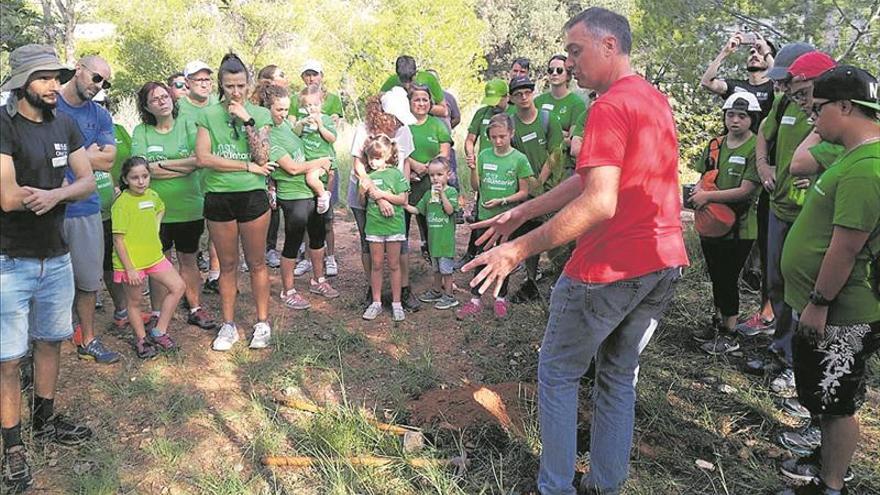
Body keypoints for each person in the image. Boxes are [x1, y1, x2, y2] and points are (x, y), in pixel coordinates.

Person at [463, 8, 688, 494]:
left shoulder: (607, 107)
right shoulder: (651, 98)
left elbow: (600, 202)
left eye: (575, 51)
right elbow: (591, 179)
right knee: (617, 376)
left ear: (609, 46)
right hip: (661, 261)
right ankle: (605, 486)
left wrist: (517, 250)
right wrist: (523, 211)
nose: (568, 63)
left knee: (560, 373)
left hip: (609, 267)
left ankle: (556, 487)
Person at [776, 65, 880, 495]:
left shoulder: (866, 168)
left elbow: (846, 247)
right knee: (825, 396)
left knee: (837, 404)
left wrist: (819, 302)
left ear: (845, 106)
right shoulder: (853, 158)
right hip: (828, 305)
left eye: (817, 109)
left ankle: (831, 484)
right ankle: (826, 460)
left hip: (843, 310)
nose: (812, 120)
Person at [1, 44, 97, 492]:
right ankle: (13, 447)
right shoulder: (4, 125)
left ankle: (45, 420)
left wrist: (56, 194)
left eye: (56, 76)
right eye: (43, 78)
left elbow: (88, 180)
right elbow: (5, 196)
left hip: (55, 256)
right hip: (9, 261)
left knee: (50, 343)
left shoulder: (66, 123)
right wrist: (48, 191)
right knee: (7, 358)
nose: (53, 85)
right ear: (22, 83)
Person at [757, 43, 827, 394]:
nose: (783, 88)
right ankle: (779, 350)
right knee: (776, 284)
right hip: (779, 207)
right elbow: (763, 135)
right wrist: (762, 164)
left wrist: (816, 176)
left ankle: (796, 367)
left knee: (804, 291)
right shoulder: (785, 102)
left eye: (790, 83)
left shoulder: (827, 111)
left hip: (809, 215)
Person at [194, 52, 275, 351]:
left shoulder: (260, 114)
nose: (236, 92)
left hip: (252, 196)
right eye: (229, 86)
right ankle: (228, 325)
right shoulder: (208, 114)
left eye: (240, 85)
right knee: (227, 265)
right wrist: (244, 167)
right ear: (221, 85)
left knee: (256, 263)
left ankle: (262, 323)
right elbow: (204, 158)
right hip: (219, 196)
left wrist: (248, 120)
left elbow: (263, 158)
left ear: (247, 83)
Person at [130, 81, 216, 330]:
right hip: (154, 212)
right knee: (158, 262)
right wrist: (181, 165)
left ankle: (195, 307)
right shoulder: (141, 131)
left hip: (189, 206)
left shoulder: (189, 124)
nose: (162, 101)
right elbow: (141, 170)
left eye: (164, 96)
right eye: (154, 99)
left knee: (188, 259)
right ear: (146, 106)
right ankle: (157, 312)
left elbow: (199, 161)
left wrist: (160, 167)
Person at [56, 55, 121, 364]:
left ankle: (89, 338)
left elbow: (108, 160)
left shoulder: (100, 116)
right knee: (46, 282)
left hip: (86, 209)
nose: (100, 86)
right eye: (96, 78)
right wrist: (85, 152)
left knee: (88, 280)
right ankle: (47, 343)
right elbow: (37, 150)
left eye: (105, 83)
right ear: (79, 68)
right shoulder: (48, 102)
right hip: (48, 207)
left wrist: (64, 151)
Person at [688, 92, 762, 354]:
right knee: (716, 275)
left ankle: (730, 333)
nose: (735, 120)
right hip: (711, 222)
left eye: (742, 116)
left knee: (728, 277)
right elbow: (702, 176)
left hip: (741, 226)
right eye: (731, 114)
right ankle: (718, 322)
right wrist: (698, 192)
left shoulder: (756, 148)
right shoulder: (715, 144)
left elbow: (746, 190)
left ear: (752, 118)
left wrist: (706, 196)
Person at [258, 83, 338, 310]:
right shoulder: (269, 135)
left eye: (285, 109)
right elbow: (291, 168)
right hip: (293, 194)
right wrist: (321, 163)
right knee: (293, 241)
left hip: (310, 189)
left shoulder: (287, 127)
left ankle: (318, 280)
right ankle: (288, 290)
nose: (283, 114)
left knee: (317, 236)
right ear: (267, 109)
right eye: (278, 110)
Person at [348, 89, 421, 310]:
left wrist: (404, 191)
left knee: (400, 241)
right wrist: (378, 197)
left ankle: (404, 291)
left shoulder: (404, 130)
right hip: (365, 192)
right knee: (368, 241)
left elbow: (406, 162)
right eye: (396, 119)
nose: (399, 124)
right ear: (384, 115)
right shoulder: (364, 129)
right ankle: (374, 291)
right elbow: (358, 165)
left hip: (395, 192)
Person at [457, 113, 532, 321]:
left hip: (507, 220)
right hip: (484, 217)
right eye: (493, 137)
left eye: (502, 136)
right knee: (481, 256)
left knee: (504, 257)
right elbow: (475, 187)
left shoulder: (519, 159)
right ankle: (475, 300)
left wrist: (503, 201)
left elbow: (524, 192)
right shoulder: (484, 156)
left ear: (511, 134)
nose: (498, 141)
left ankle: (500, 299)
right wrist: (473, 169)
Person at [111, 157, 187, 358]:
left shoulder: (152, 195)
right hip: (132, 263)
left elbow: (160, 207)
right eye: (134, 178)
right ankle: (141, 340)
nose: (141, 181)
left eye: (145, 176)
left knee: (178, 287)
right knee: (134, 302)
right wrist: (129, 269)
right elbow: (118, 240)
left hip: (154, 257)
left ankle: (159, 331)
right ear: (125, 179)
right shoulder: (122, 204)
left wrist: (155, 227)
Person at [507, 75, 565, 303]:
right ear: (511, 98)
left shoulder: (547, 119)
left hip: (550, 191)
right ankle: (530, 282)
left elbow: (556, 153)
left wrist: (539, 181)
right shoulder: (510, 123)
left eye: (527, 92)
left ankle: (559, 285)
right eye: (518, 94)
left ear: (533, 93)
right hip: (524, 194)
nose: (523, 97)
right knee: (527, 237)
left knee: (557, 239)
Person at [288, 60, 344, 278]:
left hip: (325, 166)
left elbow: (333, 135)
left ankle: (330, 257)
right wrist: (302, 124)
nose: (311, 78)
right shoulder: (297, 104)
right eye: (307, 74)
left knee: (327, 217)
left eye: (314, 74)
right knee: (306, 216)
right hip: (306, 165)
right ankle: (308, 258)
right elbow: (293, 133)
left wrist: (321, 124)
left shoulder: (329, 108)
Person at [359, 134, 411, 322]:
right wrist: (362, 190)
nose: (373, 162)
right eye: (371, 158)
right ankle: (376, 302)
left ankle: (397, 303)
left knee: (395, 265)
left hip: (394, 226)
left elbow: (402, 199)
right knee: (377, 264)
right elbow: (362, 202)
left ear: (388, 156)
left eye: (378, 158)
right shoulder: (368, 177)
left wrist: (381, 194)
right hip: (374, 227)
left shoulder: (396, 174)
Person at [405, 157, 460, 310]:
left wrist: (442, 194)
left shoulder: (451, 192)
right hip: (433, 241)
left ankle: (449, 296)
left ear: (448, 175)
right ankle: (436, 291)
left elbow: (449, 211)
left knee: (446, 271)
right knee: (436, 269)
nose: (435, 178)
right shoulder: (428, 195)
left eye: (439, 174)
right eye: (432, 175)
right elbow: (418, 210)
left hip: (445, 242)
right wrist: (404, 204)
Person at [407, 83, 452, 260]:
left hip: (431, 183)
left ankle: (437, 266)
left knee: (432, 225)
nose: (421, 103)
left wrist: (425, 168)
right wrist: (413, 165)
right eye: (416, 99)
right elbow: (396, 150)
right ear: (409, 102)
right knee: (403, 225)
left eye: (425, 99)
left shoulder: (437, 125)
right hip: (408, 181)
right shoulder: (404, 124)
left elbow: (445, 152)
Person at [701, 31, 777, 119]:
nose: (755, 55)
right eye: (752, 52)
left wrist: (766, 53)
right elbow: (706, 82)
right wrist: (725, 52)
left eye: (760, 52)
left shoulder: (775, 87)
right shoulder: (735, 85)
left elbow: (781, 79)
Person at [533, 54, 587, 172]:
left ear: (568, 75)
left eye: (559, 70)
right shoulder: (538, 101)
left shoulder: (576, 103)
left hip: (563, 166)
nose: (554, 73)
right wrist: (560, 133)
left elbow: (572, 140)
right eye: (550, 70)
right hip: (538, 162)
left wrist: (548, 132)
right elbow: (531, 130)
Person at [291, 85, 336, 212]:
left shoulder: (326, 119)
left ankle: (323, 196)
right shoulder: (303, 119)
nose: (312, 108)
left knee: (311, 179)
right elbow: (296, 135)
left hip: (322, 159)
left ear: (322, 102)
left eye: (315, 104)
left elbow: (332, 138)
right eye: (308, 105)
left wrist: (320, 126)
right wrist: (300, 124)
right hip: (307, 160)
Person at [380, 55, 447, 117]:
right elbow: (377, 102)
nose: (407, 86)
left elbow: (444, 111)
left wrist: (423, 106)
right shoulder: (392, 81)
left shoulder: (428, 79)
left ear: (415, 73)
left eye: (410, 80)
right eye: (403, 81)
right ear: (398, 75)